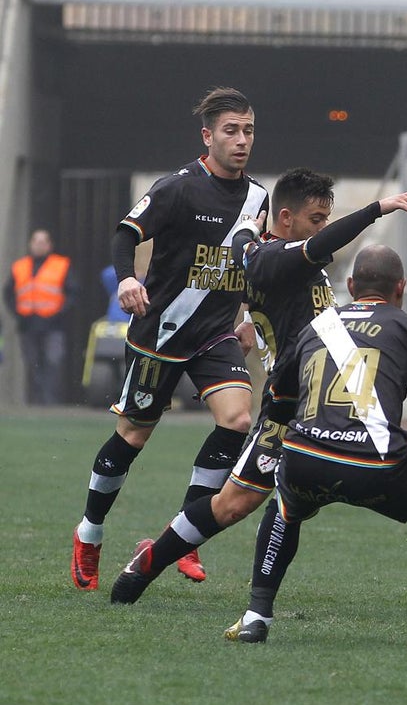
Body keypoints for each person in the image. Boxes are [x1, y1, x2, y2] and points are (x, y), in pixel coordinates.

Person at [122, 244, 407, 651]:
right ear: (401, 288)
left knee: (284, 505)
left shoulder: (316, 324)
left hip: (305, 456)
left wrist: (297, 442)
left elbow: (279, 397)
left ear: (351, 287)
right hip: (378, 462)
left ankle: (256, 617)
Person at [70, 87, 269, 591]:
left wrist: (251, 318)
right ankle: (89, 532)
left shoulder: (258, 199)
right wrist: (126, 279)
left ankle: (183, 536)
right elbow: (125, 234)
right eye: (231, 130)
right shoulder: (177, 188)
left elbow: (256, 264)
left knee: (237, 419)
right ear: (207, 136)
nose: (241, 140)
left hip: (217, 335)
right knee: (133, 435)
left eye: (248, 130)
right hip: (161, 333)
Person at [4, 229, 75, 405]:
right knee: (32, 363)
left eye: (43, 242)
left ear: (50, 245)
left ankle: (51, 402)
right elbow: (8, 293)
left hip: (54, 324)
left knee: (53, 361)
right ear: (30, 244)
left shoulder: (61, 265)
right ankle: (36, 402)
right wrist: (18, 313)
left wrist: (60, 313)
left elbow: (73, 293)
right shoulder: (20, 266)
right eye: (36, 241)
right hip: (28, 324)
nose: (39, 245)